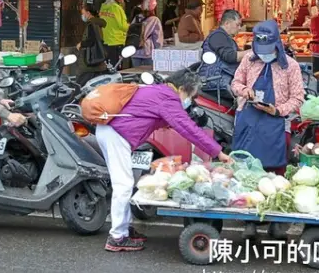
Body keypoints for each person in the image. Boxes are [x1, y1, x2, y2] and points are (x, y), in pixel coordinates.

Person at [97, 69, 231, 252]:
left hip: (111, 132)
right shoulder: (168, 98)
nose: (189, 101)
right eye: (190, 96)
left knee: (124, 183)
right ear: (182, 89)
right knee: (124, 185)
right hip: (116, 135)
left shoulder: (160, 91)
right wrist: (218, 152)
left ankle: (124, 229)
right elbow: (188, 129)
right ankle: (117, 237)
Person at [230, 20, 305, 238]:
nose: (263, 54)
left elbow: (298, 98)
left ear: (277, 45)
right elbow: (235, 83)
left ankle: (275, 221)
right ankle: (249, 222)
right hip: (248, 120)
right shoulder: (248, 60)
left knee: (275, 175)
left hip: (275, 123)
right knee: (247, 172)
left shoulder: (290, 66)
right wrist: (245, 91)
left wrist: (278, 110)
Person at [198, 9, 248, 104]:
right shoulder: (218, 36)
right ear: (227, 23)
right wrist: (254, 51)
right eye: (237, 24)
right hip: (215, 81)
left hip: (222, 80)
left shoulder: (226, 38)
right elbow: (230, 56)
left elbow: (239, 54)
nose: (239, 28)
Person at [76, 3, 108, 87]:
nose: (82, 16)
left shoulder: (91, 24)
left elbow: (91, 40)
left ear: (88, 13)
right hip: (97, 57)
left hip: (90, 58)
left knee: (81, 82)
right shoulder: (97, 23)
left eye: (83, 13)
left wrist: (81, 44)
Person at [132, 0, 163, 67]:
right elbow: (157, 39)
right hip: (147, 53)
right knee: (148, 75)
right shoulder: (155, 19)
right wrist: (159, 52)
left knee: (137, 75)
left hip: (135, 52)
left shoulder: (137, 17)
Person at [100, 0, 129, 66]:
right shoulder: (116, 8)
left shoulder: (103, 7)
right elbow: (122, 26)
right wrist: (130, 26)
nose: (123, 2)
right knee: (116, 66)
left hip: (106, 40)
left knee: (109, 65)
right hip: (116, 41)